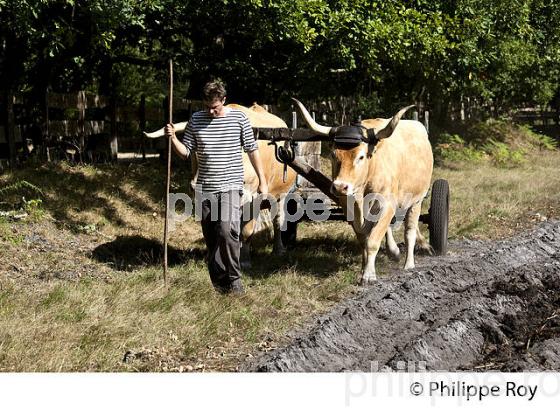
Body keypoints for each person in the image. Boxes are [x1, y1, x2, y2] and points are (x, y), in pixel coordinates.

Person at [164, 80, 268, 295]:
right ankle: (220, 285)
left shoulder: (239, 119)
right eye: (207, 107)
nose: (211, 111)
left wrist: (263, 180)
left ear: (224, 100)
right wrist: (173, 138)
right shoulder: (196, 119)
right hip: (205, 187)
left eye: (215, 107)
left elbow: (252, 149)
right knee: (211, 237)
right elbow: (186, 153)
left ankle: (234, 280)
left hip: (230, 185)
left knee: (226, 231)